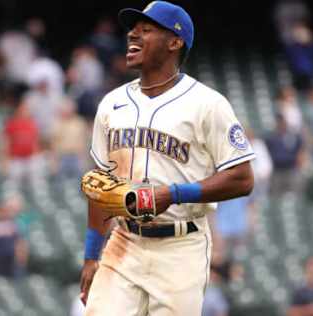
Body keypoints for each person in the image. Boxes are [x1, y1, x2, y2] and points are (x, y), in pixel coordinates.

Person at [79, 2, 255, 315]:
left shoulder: (207, 104)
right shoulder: (112, 103)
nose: (133, 33)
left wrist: (173, 193)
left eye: (146, 29)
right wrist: (92, 256)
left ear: (174, 42)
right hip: (124, 242)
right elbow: (100, 188)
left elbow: (243, 178)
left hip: (180, 248)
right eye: (133, 28)